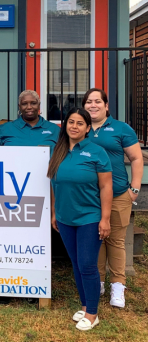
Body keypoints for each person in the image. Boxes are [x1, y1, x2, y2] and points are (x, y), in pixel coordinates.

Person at [48, 107, 112, 331]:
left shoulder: (97, 152)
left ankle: (93, 314)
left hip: (89, 217)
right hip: (65, 218)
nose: (74, 126)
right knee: (76, 264)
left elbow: (105, 187)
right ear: (65, 125)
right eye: (71, 122)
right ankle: (85, 307)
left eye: (79, 123)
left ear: (87, 128)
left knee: (87, 265)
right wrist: (55, 213)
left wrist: (105, 219)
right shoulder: (59, 150)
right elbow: (55, 184)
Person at [83, 88, 142, 308]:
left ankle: (118, 285)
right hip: (89, 196)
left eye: (98, 101)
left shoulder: (121, 128)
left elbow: (136, 158)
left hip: (118, 193)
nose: (93, 105)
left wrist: (134, 190)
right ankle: (97, 282)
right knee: (95, 240)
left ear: (106, 105)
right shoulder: (81, 127)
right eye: (89, 102)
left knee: (116, 240)